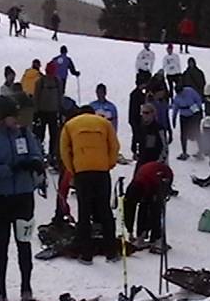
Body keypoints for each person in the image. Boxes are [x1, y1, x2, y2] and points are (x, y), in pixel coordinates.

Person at [0, 96, 44, 301]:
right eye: (11, 116)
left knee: (24, 243)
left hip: (24, 196)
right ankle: (0, 288)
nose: (16, 120)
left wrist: (34, 163)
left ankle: (26, 287)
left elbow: (36, 154)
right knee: (1, 245)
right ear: (2, 117)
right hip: (1, 198)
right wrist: (11, 169)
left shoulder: (25, 134)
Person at [60, 108, 120, 264]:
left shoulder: (70, 125)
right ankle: (111, 252)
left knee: (84, 212)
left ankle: (86, 254)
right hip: (101, 171)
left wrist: (73, 169)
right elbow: (114, 146)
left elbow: (64, 151)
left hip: (82, 173)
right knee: (105, 210)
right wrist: (109, 164)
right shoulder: (104, 123)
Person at [125, 161, 173, 248]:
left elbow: (152, 208)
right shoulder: (134, 185)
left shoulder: (153, 184)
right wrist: (130, 231)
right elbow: (129, 209)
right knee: (141, 207)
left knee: (155, 209)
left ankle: (157, 238)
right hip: (148, 175)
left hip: (162, 178)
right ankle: (141, 236)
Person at [33, 61, 62, 163]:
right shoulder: (40, 82)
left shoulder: (57, 82)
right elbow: (36, 97)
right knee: (40, 134)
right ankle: (39, 153)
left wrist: (60, 110)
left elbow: (60, 96)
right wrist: (36, 112)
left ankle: (52, 154)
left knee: (54, 134)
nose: (50, 75)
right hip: (42, 112)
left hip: (53, 112)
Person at [171, 82, 203, 161]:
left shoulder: (190, 91)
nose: (180, 94)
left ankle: (200, 151)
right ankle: (184, 152)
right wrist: (174, 118)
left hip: (193, 116)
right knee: (183, 135)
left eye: (180, 92)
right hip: (183, 117)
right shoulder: (176, 98)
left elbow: (198, 100)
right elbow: (175, 108)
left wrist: (198, 109)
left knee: (196, 133)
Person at [132, 103, 167, 168]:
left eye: (147, 113)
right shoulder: (141, 128)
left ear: (153, 113)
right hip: (142, 162)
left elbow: (164, 147)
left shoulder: (159, 129)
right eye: (142, 113)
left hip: (154, 163)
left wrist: (159, 162)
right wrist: (135, 152)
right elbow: (137, 142)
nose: (144, 115)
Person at [129, 71, 151, 157]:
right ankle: (135, 152)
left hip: (136, 118)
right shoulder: (136, 94)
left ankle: (137, 151)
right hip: (136, 118)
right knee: (137, 135)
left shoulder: (138, 94)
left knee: (138, 135)